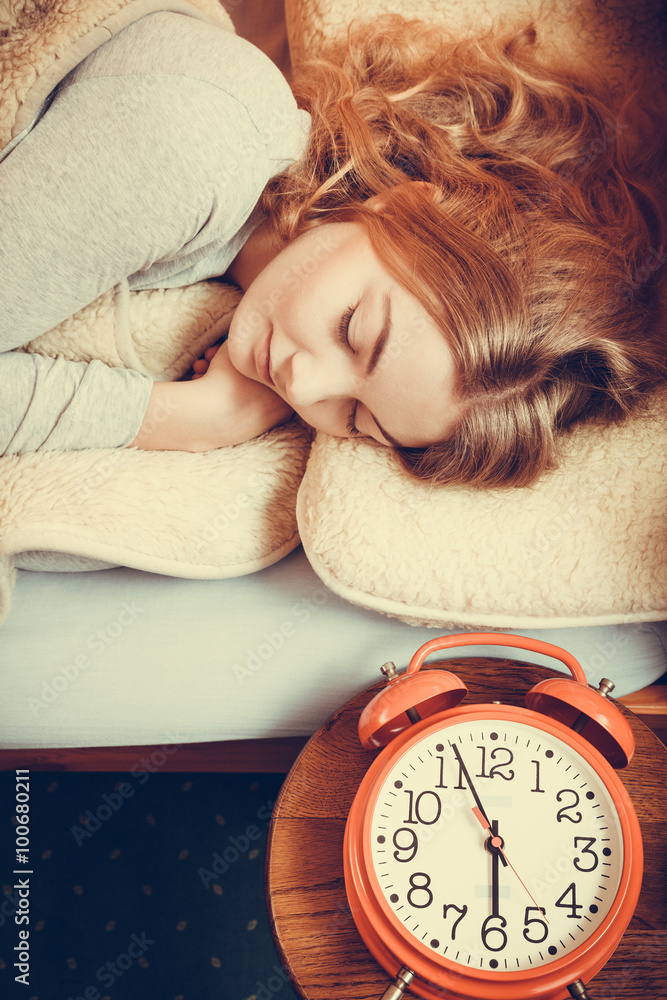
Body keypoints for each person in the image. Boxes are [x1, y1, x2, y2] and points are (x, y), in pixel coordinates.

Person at [1, 9, 665, 487]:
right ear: (405, 205)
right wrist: (178, 419)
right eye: (353, 330)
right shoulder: (202, 148)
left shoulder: (237, 243)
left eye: (355, 418)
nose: (302, 383)